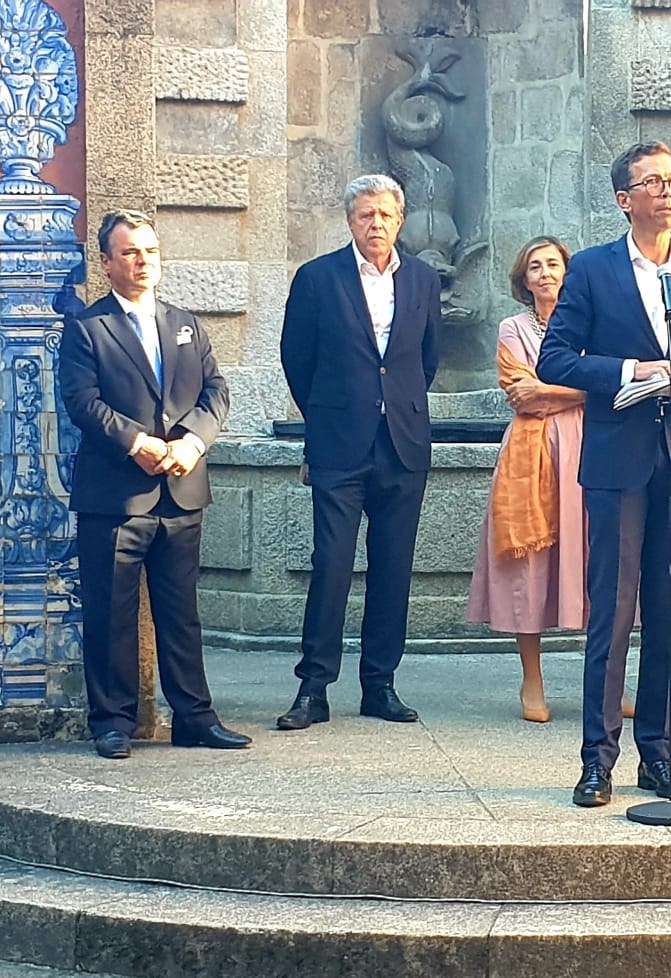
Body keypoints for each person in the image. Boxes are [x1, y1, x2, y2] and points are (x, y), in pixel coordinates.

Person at [538, 141, 671, 807]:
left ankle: (659, 755)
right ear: (624, 199)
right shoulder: (592, 270)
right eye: (653, 182)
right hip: (618, 460)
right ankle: (597, 761)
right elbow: (555, 359)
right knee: (613, 613)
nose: (668, 190)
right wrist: (632, 370)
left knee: (666, 615)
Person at [59, 209, 251, 760]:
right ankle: (113, 722)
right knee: (111, 613)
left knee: (181, 612)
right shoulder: (87, 328)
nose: (143, 261)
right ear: (106, 263)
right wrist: (136, 443)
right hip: (116, 496)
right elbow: (82, 402)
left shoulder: (184, 323)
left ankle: (194, 716)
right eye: (130, 252)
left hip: (181, 490)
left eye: (150, 250)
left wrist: (193, 442)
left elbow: (216, 391)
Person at [276, 174, 441, 731]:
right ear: (350, 221)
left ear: (400, 221)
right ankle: (314, 687)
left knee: (393, 569)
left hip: (402, 444)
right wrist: (330, 413)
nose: (376, 224)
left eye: (385, 215)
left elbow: (427, 359)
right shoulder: (318, 278)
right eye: (366, 214)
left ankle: (380, 684)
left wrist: (397, 406)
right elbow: (296, 358)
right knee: (332, 564)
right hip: (339, 444)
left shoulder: (422, 279)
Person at [466, 236, 588, 723]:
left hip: (586, 448)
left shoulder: (591, 324)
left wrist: (562, 388)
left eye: (553, 264)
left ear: (568, 273)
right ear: (524, 279)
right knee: (530, 569)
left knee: (593, 560)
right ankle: (531, 680)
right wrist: (581, 388)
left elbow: (601, 386)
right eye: (535, 266)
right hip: (530, 454)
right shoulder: (513, 328)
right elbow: (523, 395)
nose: (545, 273)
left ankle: (607, 679)